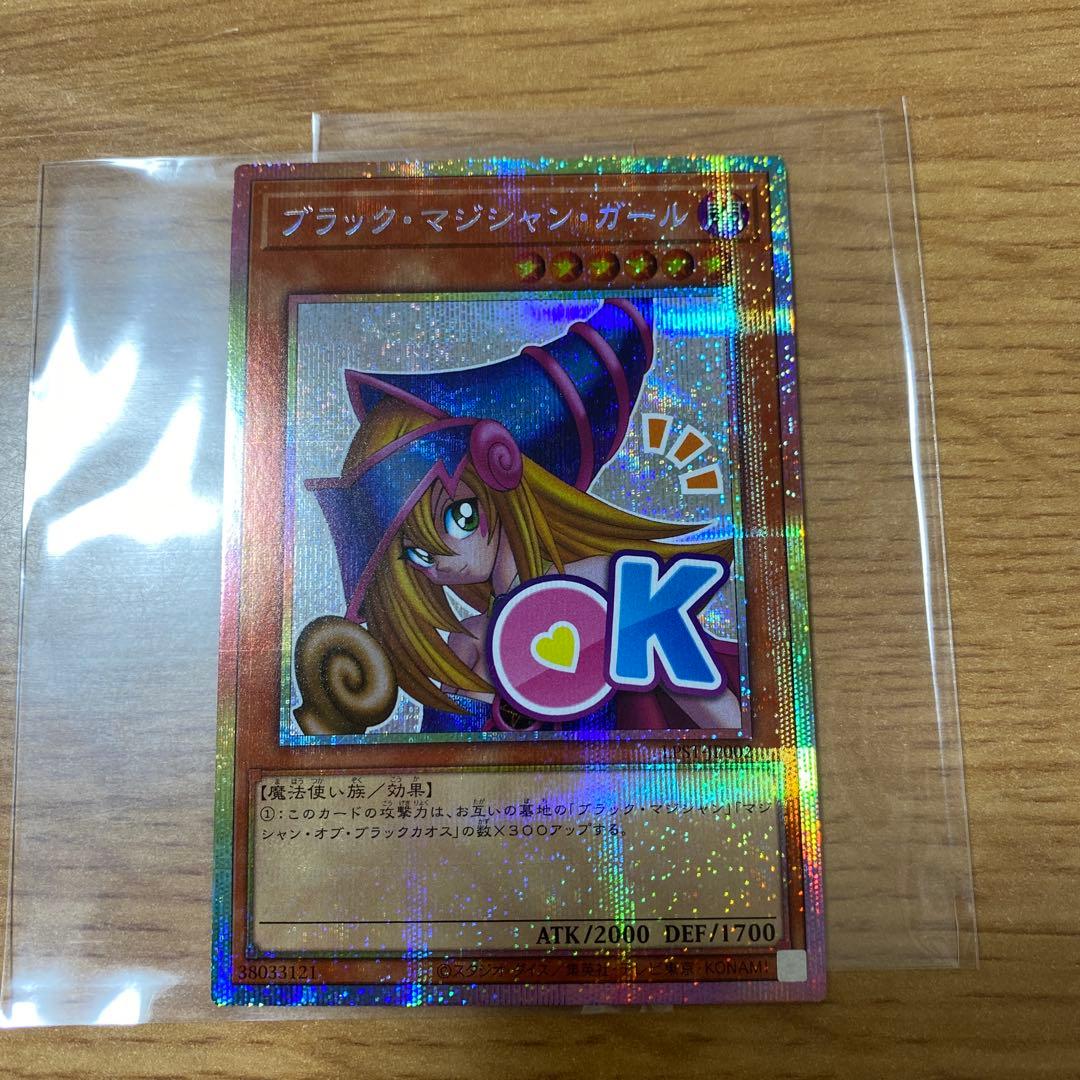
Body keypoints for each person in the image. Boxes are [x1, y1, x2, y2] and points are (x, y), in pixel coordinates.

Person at [296, 298, 740, 735]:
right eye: (417, 553)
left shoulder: (610, 583)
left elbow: (720, 717)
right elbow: (441, 763)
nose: (440, 562)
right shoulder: (468, 641)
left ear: (502, 482)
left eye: (459, 518)